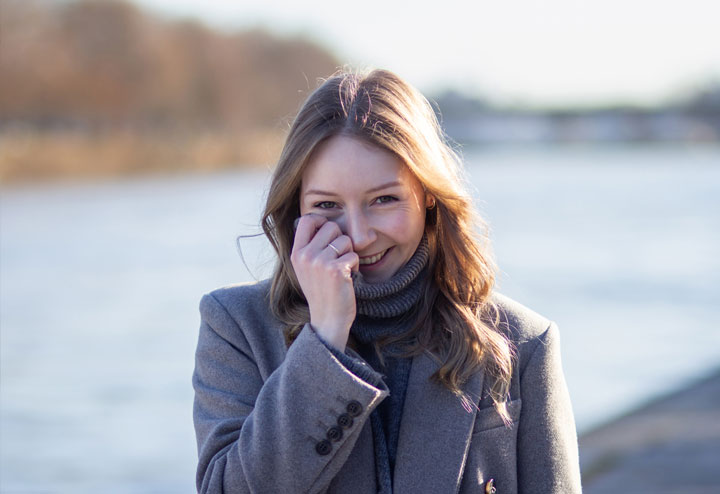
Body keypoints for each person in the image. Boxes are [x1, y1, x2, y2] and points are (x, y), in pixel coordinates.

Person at [192, 69, 582, 494]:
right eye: (327, 205)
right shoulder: (236, 327)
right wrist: (324, 338)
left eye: (384, 199)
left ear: (429, 193)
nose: (358, 236)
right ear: (296, 209)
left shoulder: (523, 342)